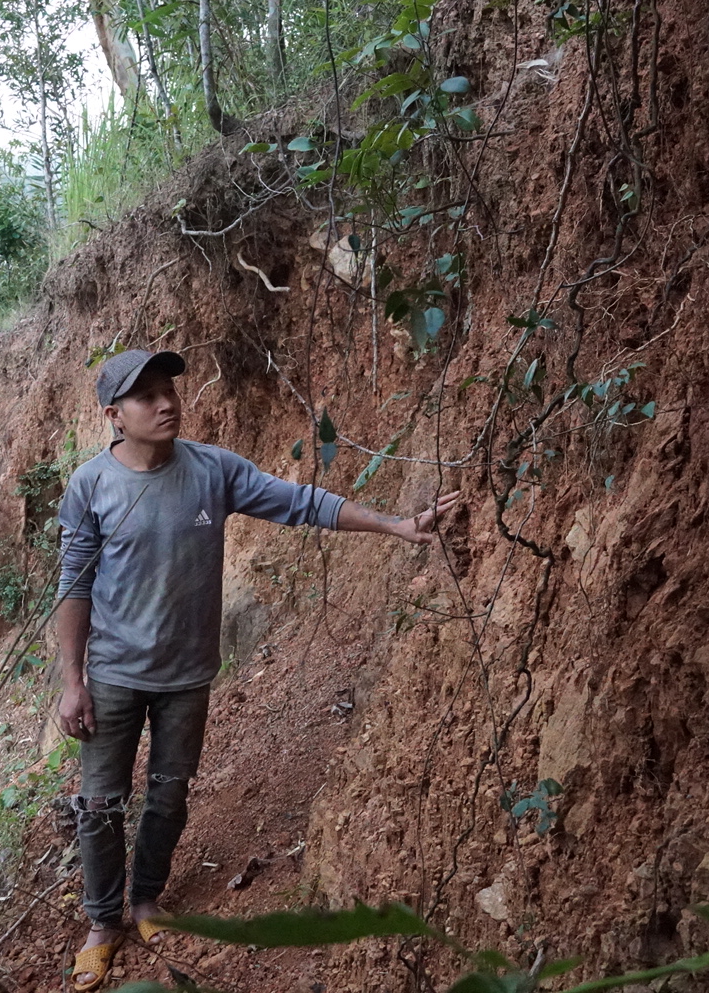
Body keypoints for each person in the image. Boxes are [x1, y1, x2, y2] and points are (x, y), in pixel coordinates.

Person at [55, 349, 458, 990]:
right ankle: (103, 923)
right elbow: (74, 585)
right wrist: (72, 682)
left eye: (169, 391)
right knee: (101, 803)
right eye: (146, 396)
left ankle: (147, 900)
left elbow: (301, 502)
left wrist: (394, 524)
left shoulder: (213, 470)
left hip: (188, 676)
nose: (166, 403)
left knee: (169, 792)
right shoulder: (90, 486)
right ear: (114, 415)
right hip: (113, 674)